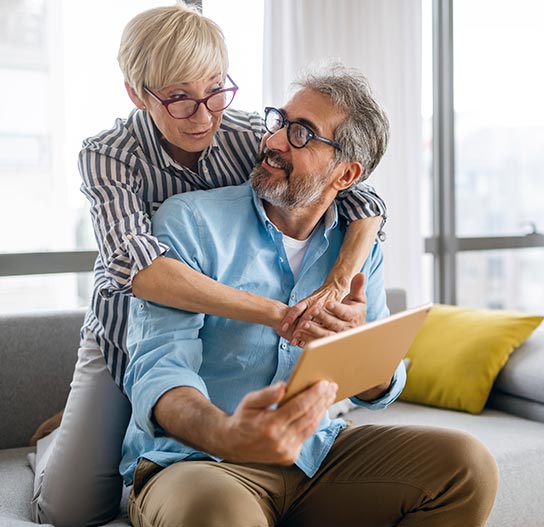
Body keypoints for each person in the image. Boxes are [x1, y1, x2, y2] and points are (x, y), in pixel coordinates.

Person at [31, 4, 387, 526]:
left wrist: (336, 285)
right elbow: (147, 273)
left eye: (214, 90)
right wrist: (279, 314)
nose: (203, 116)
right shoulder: (108, 154)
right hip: (125, 322)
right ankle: (60, 439)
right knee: (69, 509)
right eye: (178, 99)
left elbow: (360, 198)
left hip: (217, 325)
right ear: (137, 93)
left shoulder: (246, 132)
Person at [121, 62, 498, 527]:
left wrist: (357, 348)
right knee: (216, 511)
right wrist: (227, 434)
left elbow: (380, 390)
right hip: (202, 462)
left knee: (467, 465)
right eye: (279, 122)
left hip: (314, 455)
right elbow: (159, 369)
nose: (275, 141)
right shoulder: (191, 223)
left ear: (345, 175)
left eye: (302, 134)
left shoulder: (355, 252)